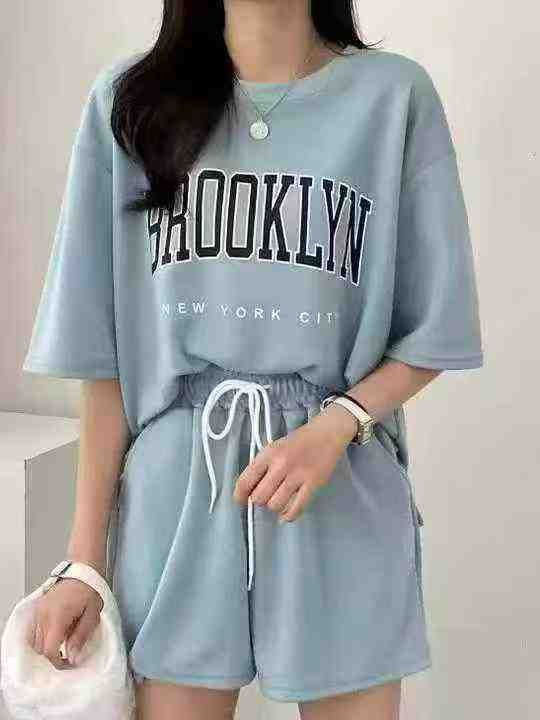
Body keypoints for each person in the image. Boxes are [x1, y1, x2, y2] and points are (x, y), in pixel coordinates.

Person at [21, 1, 484, 718]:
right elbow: (102, 357)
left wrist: (337, 424)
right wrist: (84, 562)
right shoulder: (130, 103)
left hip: (337, 475)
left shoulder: (394, 97)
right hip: (177, 488)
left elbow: (435, 327)